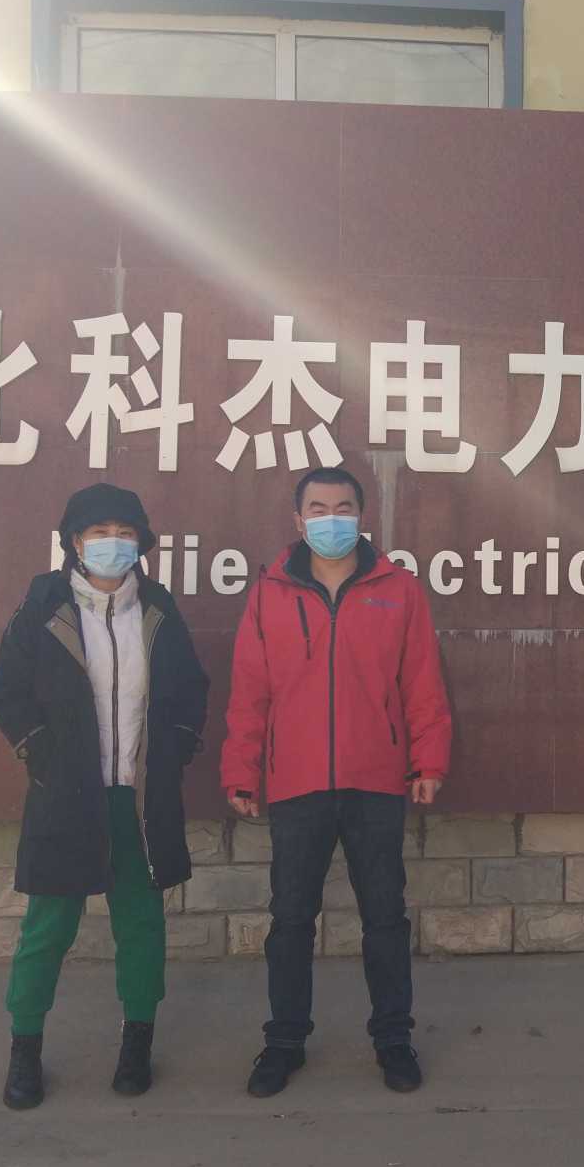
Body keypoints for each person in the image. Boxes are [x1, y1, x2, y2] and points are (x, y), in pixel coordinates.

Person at [223, 465, 452, 1098]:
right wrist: (241, 769)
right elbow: (250, 692)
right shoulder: (269, 593)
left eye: (343, 507)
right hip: (296, 782)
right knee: (291, 920)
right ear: (298, 521)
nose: (331, 519)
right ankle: (284, 1042)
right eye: (318, 509)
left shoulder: (398, 590)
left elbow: (422, 683)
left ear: (362, 515)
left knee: (385, 918)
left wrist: (428, 762)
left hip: (374, 779)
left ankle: (394, 1039)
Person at [0, 483, 210, 1111]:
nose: (113, 542)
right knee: (47, 928)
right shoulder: (44, 606)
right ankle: (25, 1049)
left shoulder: (157, 609)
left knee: (141, 924)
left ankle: (137, 1043)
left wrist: (176, 749)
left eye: (125, 532)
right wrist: (40, 754)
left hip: (137, 798)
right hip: (66, 795)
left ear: (142, 542)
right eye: (99, 532)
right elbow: (4, 691)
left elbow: (190, 690)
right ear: (75, 542)